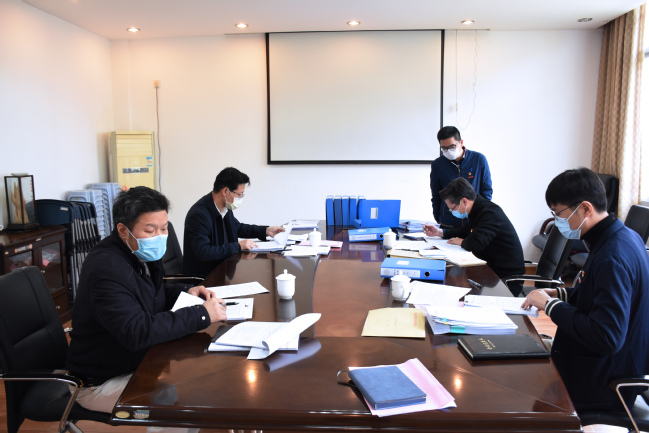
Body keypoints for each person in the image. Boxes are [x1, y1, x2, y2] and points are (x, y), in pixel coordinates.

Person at [66, 186, 227, 415]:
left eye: (164, 228)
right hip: (100, 382)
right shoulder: (105, 268)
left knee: (203, 374)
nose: (159, 237)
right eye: (150, 230)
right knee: (183, 397)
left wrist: (187, 291)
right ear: (123, 230)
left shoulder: (140, 252)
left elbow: (153, 292)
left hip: (138, 361)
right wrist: (202, 314)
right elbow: (137, 331)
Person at [522, 168, 649, 414]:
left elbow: (606, 336)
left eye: (558, 213)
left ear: (585, 209)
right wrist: (560, 295)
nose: (557, 221)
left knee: (524, 391)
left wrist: (550, 306)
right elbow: (599, 294)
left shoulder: (612, 256)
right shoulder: (623, 236)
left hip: (604, 383)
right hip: (612, 366)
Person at [423, 177, 525, 295]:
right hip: (490, 269)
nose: (452, 212)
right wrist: (440, 232)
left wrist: (461, 242)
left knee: (458, 288)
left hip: (505, 279)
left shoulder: (490, 214)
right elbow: (465, 231)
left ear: (464, 201)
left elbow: (476, 243)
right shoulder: (478, 209)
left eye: (453, 208)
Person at [183, 167, 285, 276]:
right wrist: (237, 246)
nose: (240, 198)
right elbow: (203, 252)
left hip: (223, 270)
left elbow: (237, 227)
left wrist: (266, 231)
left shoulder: (225, 207)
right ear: (225, 191)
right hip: (205, 277)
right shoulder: (199, 215)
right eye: (239, 194)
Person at [430, 126, 493, 229]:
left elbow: (486, 191)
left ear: (461, 142)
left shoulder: (478, 160)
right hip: (449, 222)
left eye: (452, 146)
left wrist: (482, 215)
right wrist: (438, 218)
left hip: (473, 221)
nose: (448, 151)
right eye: (444, 148)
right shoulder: (438, 165)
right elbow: (436, 194)